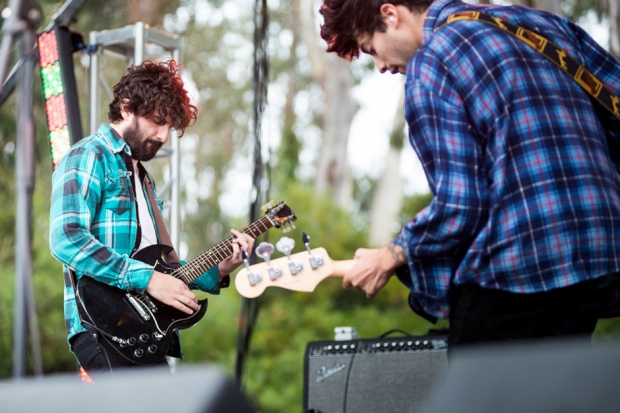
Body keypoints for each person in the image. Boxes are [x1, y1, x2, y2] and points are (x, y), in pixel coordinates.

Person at [319, 0, 620, 351]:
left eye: (372, 49)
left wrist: (389, 255)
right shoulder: (544, 25)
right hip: (601, 249)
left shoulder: (433, 59)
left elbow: (460, 204)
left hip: (522, 262)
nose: (381, 65)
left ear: (390, 13)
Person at [49, 59, 255, 376]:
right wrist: (147, 278)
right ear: (127, 107)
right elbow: (67, 238)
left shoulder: (143, 178)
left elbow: (159, 266)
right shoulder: (89, 154)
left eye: (170, 126)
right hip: (103, 326)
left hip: (142, 332)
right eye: (158, 121)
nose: (164, 136)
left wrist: (222, 267)